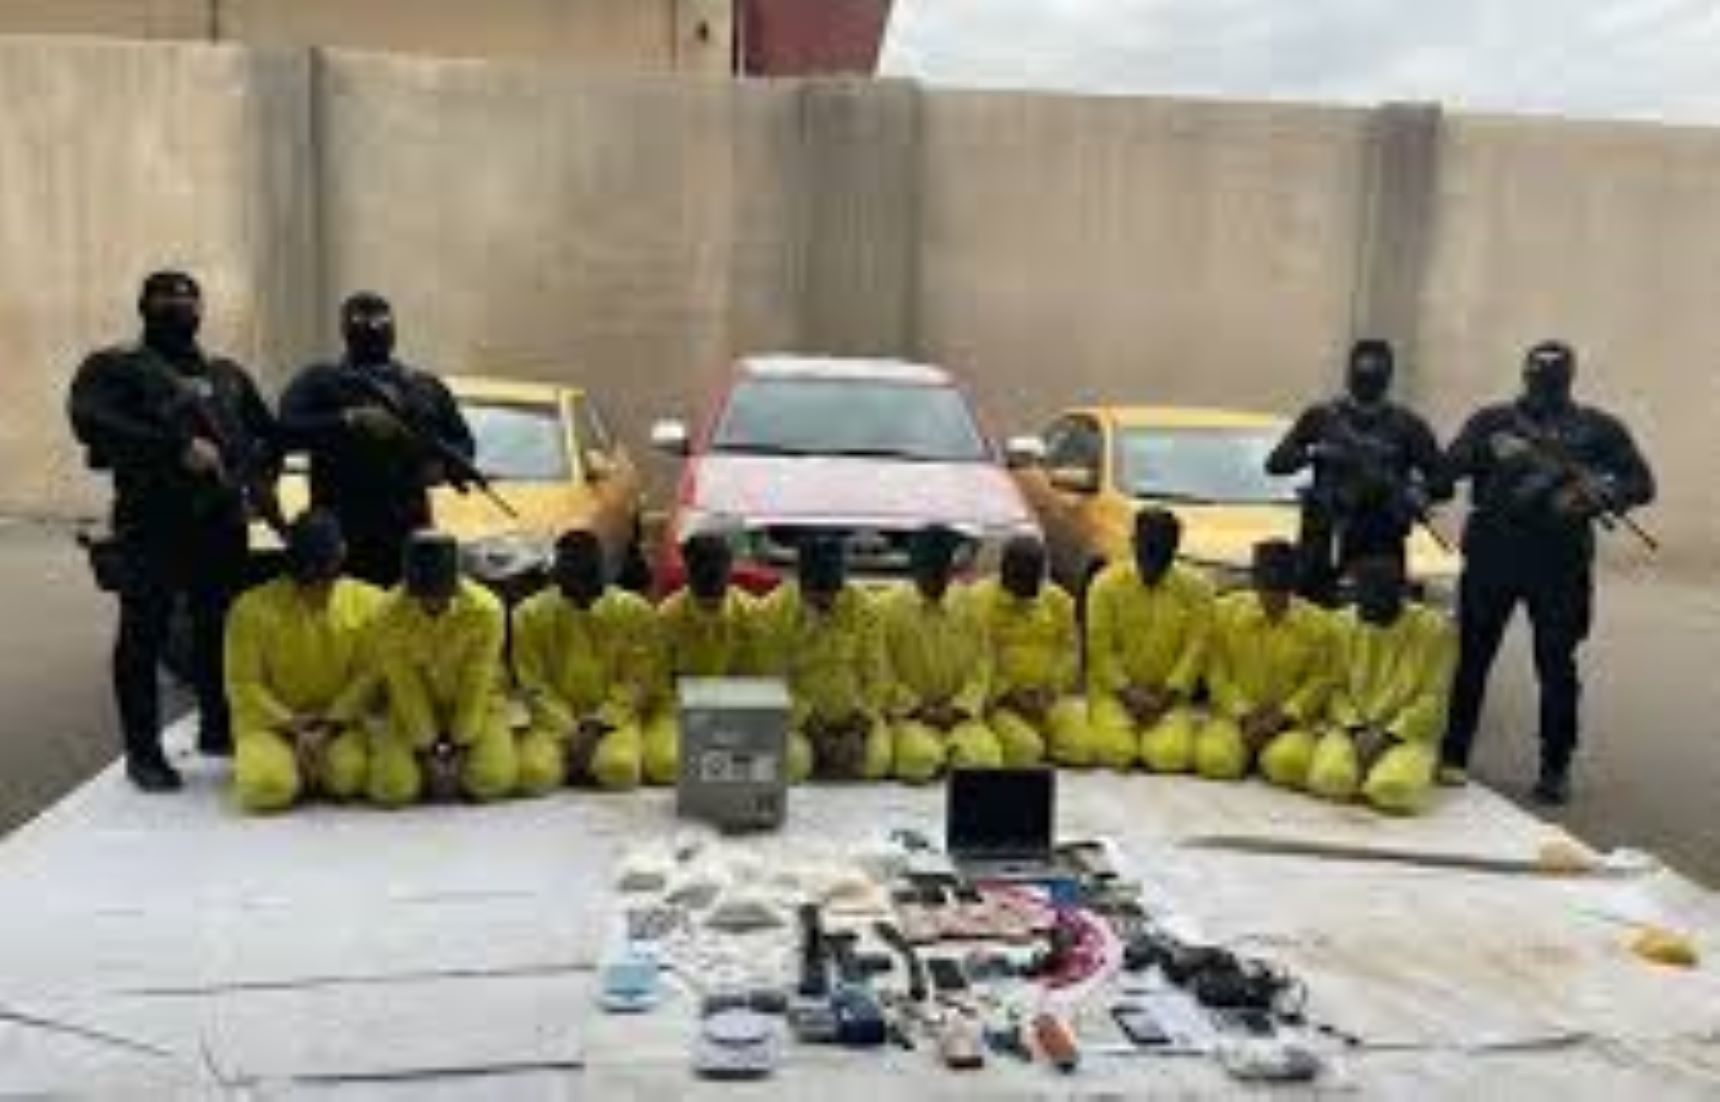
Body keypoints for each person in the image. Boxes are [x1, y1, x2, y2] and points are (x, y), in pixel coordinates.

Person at [67, 271, 282, 791]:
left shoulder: (226, 375)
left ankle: (217, 726)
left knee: (218, 629)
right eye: (166, 300)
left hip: (220, 523)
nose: (179, 308)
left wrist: (258, 481)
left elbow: (268, 435)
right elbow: (90, 420)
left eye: (188, 300)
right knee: (144, 634)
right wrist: (174, 448)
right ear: (144, 307)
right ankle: (143, 753)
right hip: (151, 520)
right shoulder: (117, 367)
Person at [1440, 341, 1656, 804]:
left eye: (1551, 381)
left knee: (1557, 665)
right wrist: (1486, 455)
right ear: (1525, 376)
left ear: (1568, 380)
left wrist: (1601, 491)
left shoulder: (1598, 429)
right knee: (1472, 657)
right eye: (1538, 379)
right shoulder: (1492, 421)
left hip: (1559, 561)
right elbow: (1449, 467)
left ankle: (1555, 765)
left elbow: (1641, 483)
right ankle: (1453, 753)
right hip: (1494, 553)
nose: (1543, 388)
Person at [277, 293, 475, 587]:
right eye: (363, 323)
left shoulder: (422, 386)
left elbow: (462, 442)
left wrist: (443, 469)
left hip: (406, 529)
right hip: (342, 531)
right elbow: (283, 429)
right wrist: (349, 419)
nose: (373, 332)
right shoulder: (321, 381)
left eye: (380, 322)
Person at [1267, 339, 1450, 603]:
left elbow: (1443, 482)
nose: (1366, 383)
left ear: (1386, 378)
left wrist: (1415, 493)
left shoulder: (1408, 426)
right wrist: (1315, 453)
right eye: (1362, 374)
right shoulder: (1321, 417)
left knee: (1377, 614)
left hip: (1380, 536)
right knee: (1314, 610)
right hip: (1324, 533)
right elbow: (1276, 464)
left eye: (1374, 375)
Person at [224, 511, 385, 813]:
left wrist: (330, 726)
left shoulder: (371, 603)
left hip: (340, 724)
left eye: (326, 577)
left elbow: (370, 675)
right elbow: (243, 684)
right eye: (308, 578)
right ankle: (283, 765)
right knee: (266, 786)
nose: (317, 587)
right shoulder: (249, 609)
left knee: (350, 776)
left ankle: (307, 768)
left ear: (342, 558)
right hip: (269, 726)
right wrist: (292, 726)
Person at [367, 532, 518, 805]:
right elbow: (405, 684)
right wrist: (426, 751)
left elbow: (478, 681)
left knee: (489, 781)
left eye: (441, 595)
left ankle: (455, 762)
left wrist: (460, 747)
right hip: (410, 710)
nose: (433, 603)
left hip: (480, 706)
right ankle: (423, 766)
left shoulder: (487, 610)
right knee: (393, 787)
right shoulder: (387, 613)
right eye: (424, 596)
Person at [513, 529, 668, 792]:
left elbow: (636, 680)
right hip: (552, 722)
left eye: (588, 579)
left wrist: (599, 724)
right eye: (570, 577)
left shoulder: (635, 610)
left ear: (602, 574)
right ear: (558, 575)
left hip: (614, 721)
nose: (581, 590)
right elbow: (533, 684)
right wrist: (569, 730)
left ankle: (586, 762)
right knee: (533, 776)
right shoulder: (529, 614)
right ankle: (574, 762)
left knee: (620, 770)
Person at [1302, 557, 1456, 814]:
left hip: (1408, 736)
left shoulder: (1434, 629)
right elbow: (1333, 687)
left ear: (1400, 594)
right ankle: (1361, 772)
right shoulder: (1341, 623)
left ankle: (1399, 770)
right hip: (1350, 729)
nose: (1363, 608)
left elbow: (1433, 698)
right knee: (1330, 780)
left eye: (1374, 599)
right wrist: (1356, 729)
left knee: (1394, 790)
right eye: (1359, 597)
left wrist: (1388, 736)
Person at [1084, 510, 1214, 773]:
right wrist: (1128, 694)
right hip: (1114, 696)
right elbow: (1100, 649)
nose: (1154, 559)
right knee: (1117, 753)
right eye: (1148, 548)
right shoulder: (1104, 585)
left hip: (1170, 699)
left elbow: (1196, 650)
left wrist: (1165, 697)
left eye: (1163, 551)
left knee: (1170, 756)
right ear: (1133, 543)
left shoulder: (1198, 589)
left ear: (1175, 549)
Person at [755, 535, 891, 782]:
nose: (825, 601)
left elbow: (878, 675)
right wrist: (818, 734)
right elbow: (773, 682)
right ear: (801, 584)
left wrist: (858, 731)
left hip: (855, 719)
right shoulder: (772, 611)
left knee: (876, 764)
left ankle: (836, 756)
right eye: (817, 594)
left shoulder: (865, 607)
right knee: (794, 766)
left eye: (832, 593)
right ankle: (821, 756)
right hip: (799, 723)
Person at [1201, 540, 1337, 783]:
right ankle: (1247, 754)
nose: (1273, 591)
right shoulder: (1223, 613)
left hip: (1292, 724)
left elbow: (1320, 680)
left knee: (1288, 764)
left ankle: (1264, 757)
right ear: (1254, 578)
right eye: (1267, 581)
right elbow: (1216, 672)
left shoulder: (1319, 624)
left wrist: (1283, 717)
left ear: (1294, 580)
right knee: (1215, 761)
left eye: (1280, 583)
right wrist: (1244, 714)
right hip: (1232, 718)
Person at [879, 527, 1000, 783]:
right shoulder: (887, 609)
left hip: (959, 716)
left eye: (942, 572)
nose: (937, 580)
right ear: (915, 571)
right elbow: (881, 670)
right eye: (929, 572)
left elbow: (983, 663)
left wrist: (960, 707)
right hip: (911, 718)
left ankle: (952, 751)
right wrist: (917, 708)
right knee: (919, 761)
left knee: (985, 762)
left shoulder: (969, 605)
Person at [967, 536, 1084, 767]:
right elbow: (975, 660)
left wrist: (1052, 689)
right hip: (1001, 705)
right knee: (1025, 752)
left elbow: (1071, 650)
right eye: (1022, 578)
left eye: (1035, 578)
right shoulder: (978, 601)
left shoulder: (1059, 601)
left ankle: (1047, 740)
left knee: (1083, 748)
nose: (1030, 587)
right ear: (1005, 572)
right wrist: (1009, 693)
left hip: (1049, 699)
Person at [655, 530, 762, 781]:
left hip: (737, 710)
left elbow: (758, 677)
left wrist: (726, 719)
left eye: (716, 599)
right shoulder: (667, 616)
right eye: (704, 601)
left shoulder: (753, 613)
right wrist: (693, 719)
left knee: (773, 763)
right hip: (679, 712)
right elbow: (659, 681)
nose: (710, 606)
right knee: (665, 765)